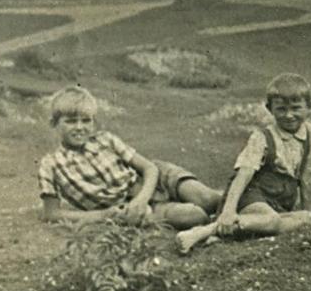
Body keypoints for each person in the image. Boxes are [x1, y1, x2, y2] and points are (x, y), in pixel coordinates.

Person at [176, 74, 311, 253]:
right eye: (281, 109)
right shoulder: (262, 137)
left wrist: (308, 212)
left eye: (296, 108)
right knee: (271, 221)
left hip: (280, 202)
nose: (289, 115)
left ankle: (228, 232)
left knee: (305, 219)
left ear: (310, 108)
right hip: (251, 196)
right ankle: (206, 230)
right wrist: (228, 211)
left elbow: (308, 177)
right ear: (269, 109)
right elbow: (243, 175)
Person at [38, 86, 220, 229]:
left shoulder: (105, 139)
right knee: (194, 216)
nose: (79, 127)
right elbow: (52, 214)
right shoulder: (51, 164)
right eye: (70, 121)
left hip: (154, 181)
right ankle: (220, 225)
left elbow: (150, 168)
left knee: (209, 199)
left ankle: (241, 211)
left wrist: (141, 199)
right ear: (54, 124)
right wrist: (102, 215)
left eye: (86, 121)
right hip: (126, 208)